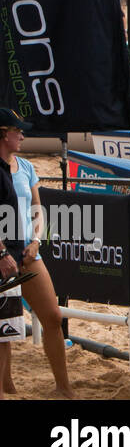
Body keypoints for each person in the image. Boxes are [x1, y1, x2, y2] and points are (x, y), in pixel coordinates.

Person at [0, 108, 74, 398]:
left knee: (53, 316)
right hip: (5, 253)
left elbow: (37, 210)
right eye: (18, 130)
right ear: (4, 133)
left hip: (27, 252)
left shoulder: (26, 167)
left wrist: (36, 241)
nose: (23, 134)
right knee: (3, 329)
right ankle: (5, 388)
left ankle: (63, 388)